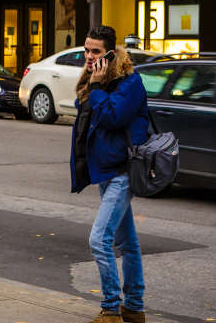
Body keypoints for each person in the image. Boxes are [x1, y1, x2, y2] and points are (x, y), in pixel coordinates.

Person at [70, 25, 149, 323]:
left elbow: (112, 117)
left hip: (122, 171)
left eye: (96, 52)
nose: (89, 57)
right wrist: (93, 84)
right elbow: (84, 113)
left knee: (99, 239)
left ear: (111, 54)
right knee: (127, 243)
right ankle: (135, 307)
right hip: (106, 171)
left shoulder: (130, 83)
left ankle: (111, 309)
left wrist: (98, 87)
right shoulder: (95, 78)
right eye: (86, 50)